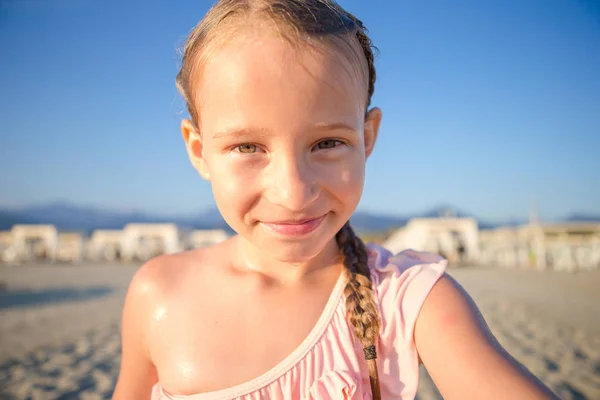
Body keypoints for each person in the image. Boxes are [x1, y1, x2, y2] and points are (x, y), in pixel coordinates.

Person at [112, 1, 559, 399]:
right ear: (199, 150)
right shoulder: (158, 296)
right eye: (247, 147)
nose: (293, 193)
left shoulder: (411, 301)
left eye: (327, 143)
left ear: (367, 138)